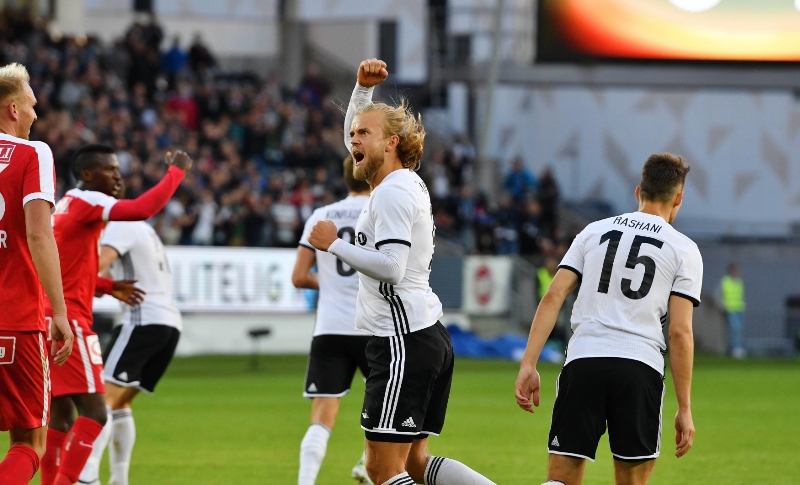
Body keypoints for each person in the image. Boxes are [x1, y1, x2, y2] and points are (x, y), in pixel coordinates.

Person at [308, 58, 495, 485]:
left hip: (401, 340)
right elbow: (357, 141)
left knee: (381, 468)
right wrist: (361, 90)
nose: (353, 140)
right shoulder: (401, 181)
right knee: (414, 463)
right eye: (353, 134)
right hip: (423, 333)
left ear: (391, 142)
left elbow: (392, 268)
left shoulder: (391, 194)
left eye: (364, 134)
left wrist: (334, 243)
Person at [515, 153, 703, 485]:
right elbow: (679, 332)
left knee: (560, 479)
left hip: (583, 361)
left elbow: (554, 296)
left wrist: (529, 363)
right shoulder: (684, 249)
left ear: (638, 192)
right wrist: (684, 407)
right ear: (679, 198)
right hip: (638, 369)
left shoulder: (594, 231)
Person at [40, 144, 192, 485]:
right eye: (110, 170)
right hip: (70, 322)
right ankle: (83, 479)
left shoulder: (63, 207)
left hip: (49, 317)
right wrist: (176, 172)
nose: (118, 176)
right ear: (87, 174)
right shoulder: (90, 201)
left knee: (61, 418)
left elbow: (67, 269)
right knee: (97, 412)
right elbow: (142, 208)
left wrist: (107, 286)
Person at [77, 181, 184, 485]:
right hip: (168, 324)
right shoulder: (144, 229)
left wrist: (73, 274)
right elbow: (107, 276)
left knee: (102, 401)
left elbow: (96, 266)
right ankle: (119, 479)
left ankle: (86, 476)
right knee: (121, 404)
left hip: (142, 321)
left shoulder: (120, 226)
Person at [0, 62, 74, 485]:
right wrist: (59, 312)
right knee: (29, 442)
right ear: (13, 109)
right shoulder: (33, 153)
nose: (35, 114)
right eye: (31, 105)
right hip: (16, 318)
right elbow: (38, 234)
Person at [292, 155, 373, 485]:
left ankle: (305, 481)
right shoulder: (381, 213)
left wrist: (329, 282)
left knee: (321, 417)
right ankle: (368, 462)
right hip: (374, 328)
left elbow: (299, 276)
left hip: (330, 329)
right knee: (389, 407)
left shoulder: (321, 215)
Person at [720, 263, 746, 359]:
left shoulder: (739, 282)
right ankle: (735, 348)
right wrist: (723, 306)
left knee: (739, 329)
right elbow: (720, 294)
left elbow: (740, 295)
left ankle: (737, 347)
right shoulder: (725, 281)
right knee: (735, 329)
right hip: (730, 309)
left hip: (739, 309)